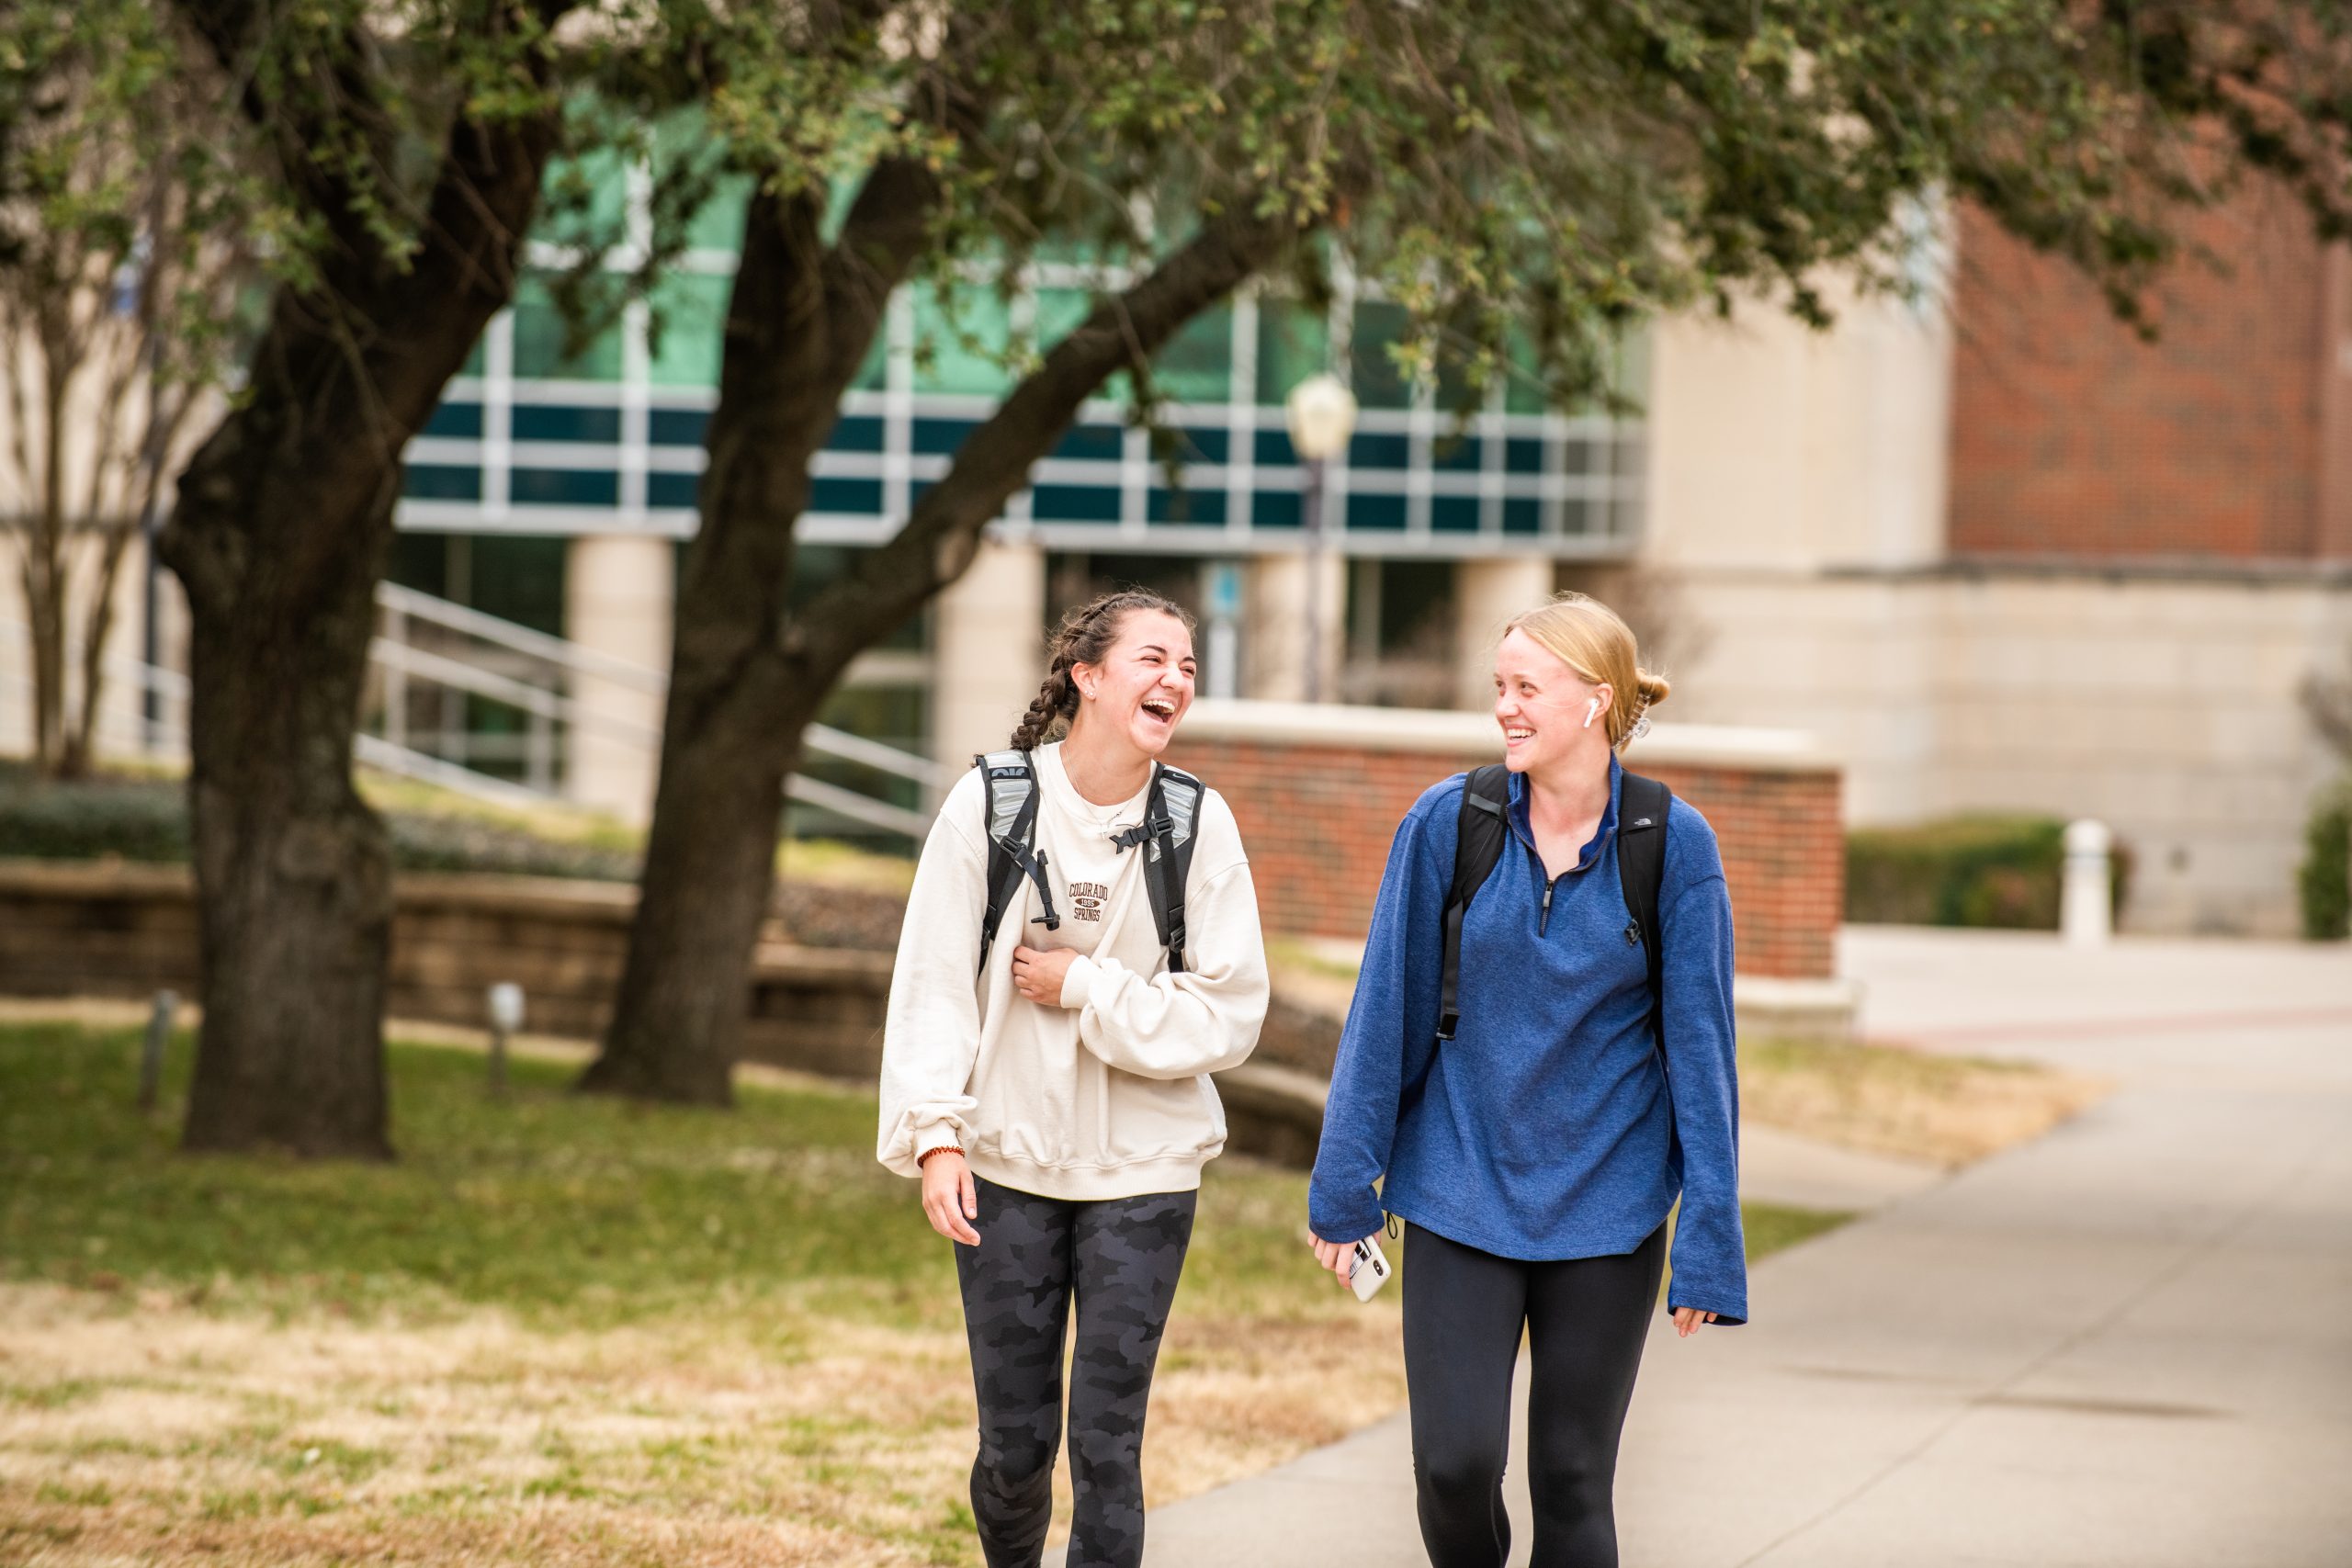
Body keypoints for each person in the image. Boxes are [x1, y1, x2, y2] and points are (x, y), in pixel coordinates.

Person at [1307, 591, 1745, 1568]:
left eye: (1525, 688)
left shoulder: (1672, 846)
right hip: (1461, 1189)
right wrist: (1345, 1185)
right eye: (1498, 686)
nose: (1504, 706)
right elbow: (1387, 1012)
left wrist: (1709, 1236)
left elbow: (1701, 1054)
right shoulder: (1446, 824)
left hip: (1610, 1204)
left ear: (1593, 701)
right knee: (1454, 1468)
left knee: (1572, 1475)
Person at [877, 588, 1270, 1568]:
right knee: (1015, 1449)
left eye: (1186, 664)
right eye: (1152, 658)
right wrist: (935, 1135)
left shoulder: (1196, 823)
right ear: (1086, 677)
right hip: (1004, 1164)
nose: (1175, 678)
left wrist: (1087, 986)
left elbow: (1229, 1014)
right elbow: (932, 981)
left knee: (1108, 1447)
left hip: (1144, 1173)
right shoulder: (993, 801)